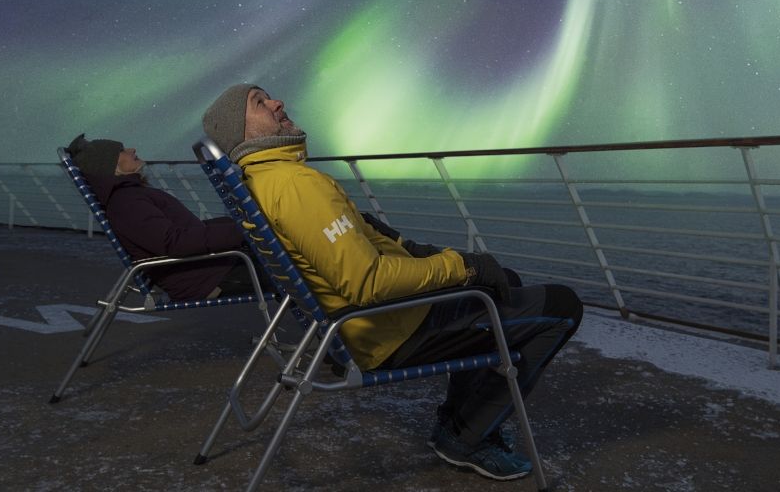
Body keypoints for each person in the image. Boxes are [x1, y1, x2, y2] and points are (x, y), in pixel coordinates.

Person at [202, 83, 583, 481]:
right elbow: (367, 283)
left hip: (368, 323)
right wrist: (462, 267)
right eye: (259, 103)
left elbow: (350, 250)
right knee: (562, 307)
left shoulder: (266, 182)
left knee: (505, 283)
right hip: (390, 330)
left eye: (270, 96)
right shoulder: (296, 185)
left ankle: (459, 421)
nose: (278, 102)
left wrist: (410, 247)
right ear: (240, 133)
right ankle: (467, 436)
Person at [65, 134, 265, 302]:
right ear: (110, 166)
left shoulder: (129, 196)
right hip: (208, 279)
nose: (132, 150)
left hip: (211, 270)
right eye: (123, 150)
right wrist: (243, 231)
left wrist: (237, 226)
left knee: (285, 260)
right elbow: (175, 243)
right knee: (291, 272)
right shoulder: (127, 203)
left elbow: (180, 234)